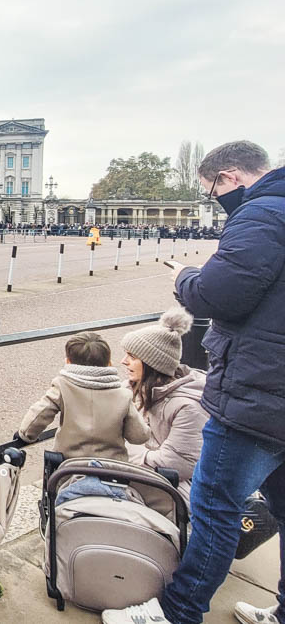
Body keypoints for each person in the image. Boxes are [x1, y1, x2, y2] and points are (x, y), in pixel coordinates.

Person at [104, 141, 285, 624]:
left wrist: (185, 275)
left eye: (211, 192)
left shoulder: (261, 212)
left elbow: (216, 295)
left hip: (259, 389)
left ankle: (177, 611)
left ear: (228, 177)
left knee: (215, 506)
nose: (215, 202)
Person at [120, 307, 207, 508]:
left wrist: (123, 450)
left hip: (169, 491)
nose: (124, 361)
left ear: (152, 363)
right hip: (135, 477)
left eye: (132, 356)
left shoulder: (188, 406)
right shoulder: (128, 389)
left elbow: (175, 464)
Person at [16, 331, 149, 462]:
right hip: (110, 470)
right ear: (109, 363)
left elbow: (41, 413)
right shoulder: (123, 395)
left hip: (70, 466)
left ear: (68, 362)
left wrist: (26, 435)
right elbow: (139, 436)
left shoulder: (62, 386)